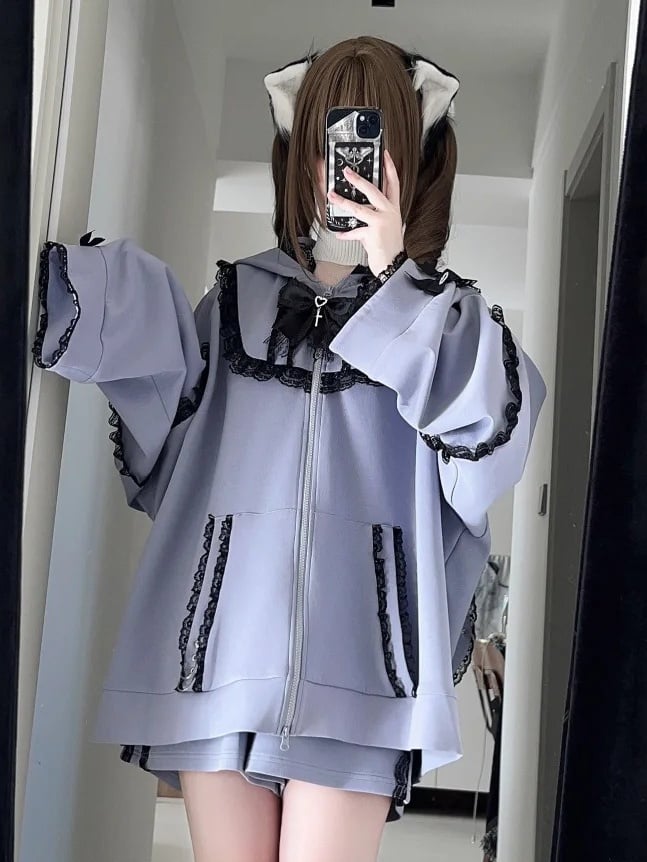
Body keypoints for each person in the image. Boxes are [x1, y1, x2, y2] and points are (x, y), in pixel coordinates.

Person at [32, 35, 546, 862]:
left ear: (413, 159)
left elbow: (487, 440)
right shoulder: (238, 296)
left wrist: (395, 275)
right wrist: (87, 291)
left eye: (374, 144)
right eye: (328, 141)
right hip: (219, 646)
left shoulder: (446, 322)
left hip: (364, 662)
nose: (345, 170)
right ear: (299, 150)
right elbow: (171, 433)